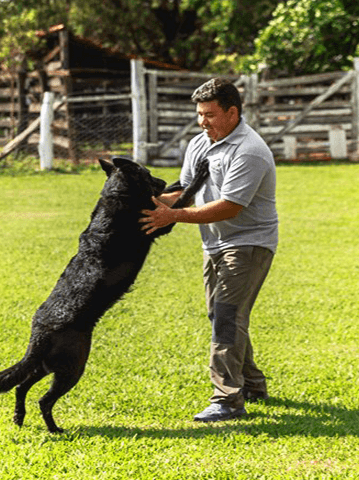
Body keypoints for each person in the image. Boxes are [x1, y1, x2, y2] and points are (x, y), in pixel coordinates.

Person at [140, 78, 278, 422]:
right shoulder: (200, 143)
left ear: (232, 112)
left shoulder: (249, 150)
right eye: (200, 114)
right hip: (214, 242)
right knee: (222, 316)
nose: (203, 121)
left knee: (227, 318)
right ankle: (252, 384)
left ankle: (227, 400)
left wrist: (171, 216)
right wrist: (144, 202)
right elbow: (186, 188)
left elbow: (230, 206)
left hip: (248, 242)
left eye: (210, 114)